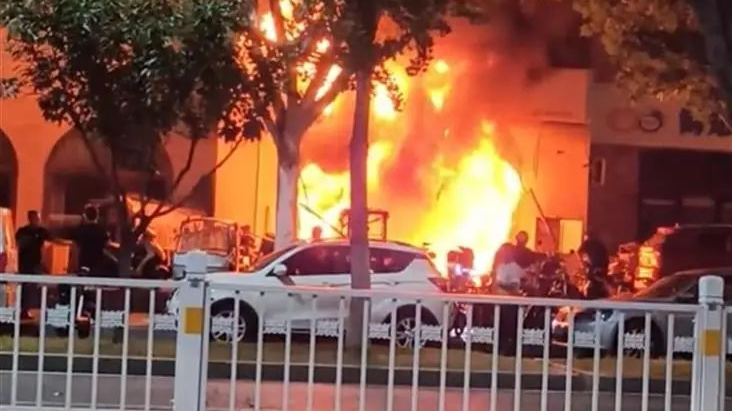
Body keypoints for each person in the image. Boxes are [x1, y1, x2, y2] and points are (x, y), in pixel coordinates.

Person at [15, 210, 51, 317]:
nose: (37, 220)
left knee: (31, 287)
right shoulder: (23, 231)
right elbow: (18, 243)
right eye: (36, 218)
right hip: (26, 264)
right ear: (30, 218)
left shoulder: (40, 231)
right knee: (26, 287)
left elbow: (52, 238)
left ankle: (25, 309)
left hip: (34, 263)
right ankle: (23, 310)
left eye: (37, 218)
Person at [73, 204, 113, 276]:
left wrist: (75, 265)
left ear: (85, 216)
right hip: (98, 263)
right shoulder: (101, 230)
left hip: (84, 262)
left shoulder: (81, 230)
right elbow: (107, 244)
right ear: (97, 216)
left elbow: (76, 248)